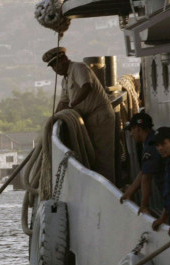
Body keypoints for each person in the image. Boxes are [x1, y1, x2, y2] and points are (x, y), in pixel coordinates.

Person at [43, 46, 116, 181]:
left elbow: (87, 86)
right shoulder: (65, 80)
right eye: (52, 66)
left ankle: (110, 190)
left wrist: (73, 104)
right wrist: (53, 119)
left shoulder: (78, 68)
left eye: (56, 63)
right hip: (89, 120)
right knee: (93, 158)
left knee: (103, 159)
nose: (55, 68)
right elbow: (63, 102)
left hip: (100, 117)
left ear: (64, 59)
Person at [119, 112, 164, 216]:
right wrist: (130, 192)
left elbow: (146, 178)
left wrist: (144, 206)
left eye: (132, 130)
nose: (131, 134)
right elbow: (144, 171)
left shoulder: (150, 147)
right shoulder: (154, 139)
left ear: (138, 129)